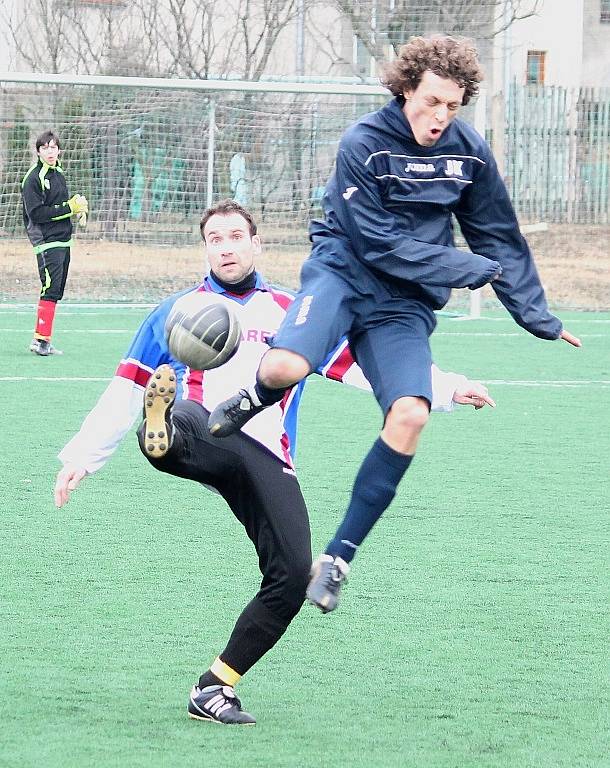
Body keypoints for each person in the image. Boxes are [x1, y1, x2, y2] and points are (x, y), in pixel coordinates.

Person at [54, 199, 494, 725]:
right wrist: (84, 454)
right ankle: (165, 432)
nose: (226, 246)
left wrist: (445, 389)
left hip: (267, 452)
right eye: (214, 238)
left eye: (236, 235)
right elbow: (126, 386)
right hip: (206, 430)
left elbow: (364, 365)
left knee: (291, 575)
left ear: (255, 243)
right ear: (205, 248)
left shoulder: (295, 311)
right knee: (194, 422)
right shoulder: (176, 311)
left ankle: (215, 686)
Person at [207, 35, 581, 614]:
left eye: (452, 106)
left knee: (410, 413)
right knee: (285, 365)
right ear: (407, 88)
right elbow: (377, 243)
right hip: (345, 270)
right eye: (431, 101)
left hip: (402, 301)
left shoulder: (468, 152)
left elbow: (498, 236)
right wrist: (464, 267)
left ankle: (337, 558)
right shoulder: (363, 142)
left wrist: (538, 317)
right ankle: (255, 394)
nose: (440, 117)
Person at [21, 130, 89, 356]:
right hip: (46, 242)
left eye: (53, 147)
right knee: (50, 288)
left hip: (63, 239)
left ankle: (44, 340)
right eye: (45, 148)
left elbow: (60, 206)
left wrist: (76, 212)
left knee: (57, 290)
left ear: (59, 150)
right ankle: (40, 341)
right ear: (38, 151)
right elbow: (37, 213)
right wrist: (69, 208)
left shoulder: (58, 172)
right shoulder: (34, 177)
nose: (50, 151)